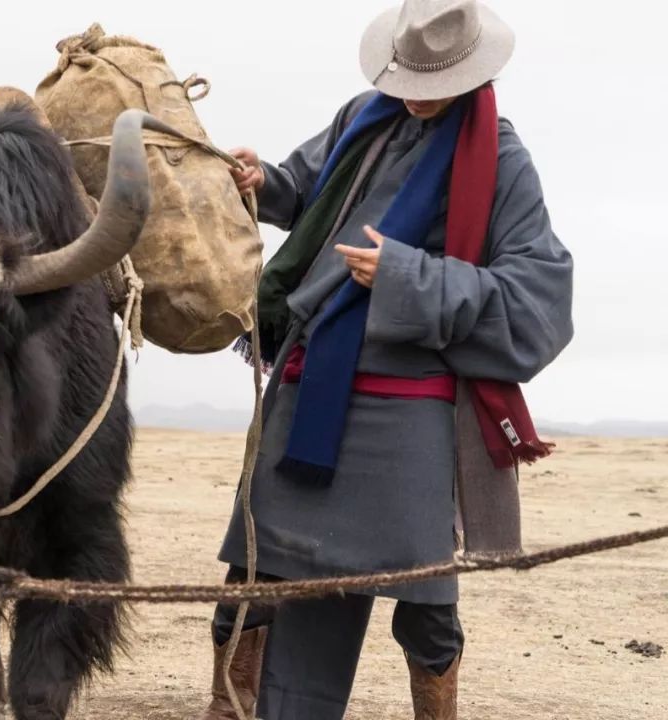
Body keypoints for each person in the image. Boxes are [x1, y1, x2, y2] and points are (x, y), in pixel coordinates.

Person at [198, 1, 575, 719]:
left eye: (433, 78)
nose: (414, 91)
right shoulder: (363, 116)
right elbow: (310, 192)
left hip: (409, 413)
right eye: (406, 75)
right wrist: (264, 182)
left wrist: (407, 276)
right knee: (254, 577)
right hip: (308, 388)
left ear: (471, 73)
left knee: (426, 608)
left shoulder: (502, 159)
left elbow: (540, 300)